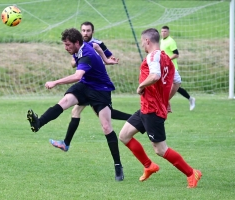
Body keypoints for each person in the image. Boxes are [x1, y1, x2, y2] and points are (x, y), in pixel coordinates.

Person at [27, 28, 124, 181]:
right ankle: (39, 123)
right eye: (65, 45)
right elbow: (97, 46)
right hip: (85, 86)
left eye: (68, 45)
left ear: (77, 43)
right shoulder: (82, 46)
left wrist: (55, 82)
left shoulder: (86, 55)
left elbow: (78, 76)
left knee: (106, 127)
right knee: (64, 102)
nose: (66, 48)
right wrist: (106, 60)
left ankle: (118, 165)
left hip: (101, 90)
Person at [118, 28, 202, 188]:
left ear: (147, 41)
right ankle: (149, 166)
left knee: (161, 149)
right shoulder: (166, 58)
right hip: (146, 108)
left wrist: (141, 86)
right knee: (124, 136)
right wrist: (165, 99)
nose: (142, 44)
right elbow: (177, 82)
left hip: (153, 111)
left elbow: (155, 75)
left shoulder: (152, 56)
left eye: (143, 41)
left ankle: (192, 173)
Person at [50, 21, 131, 152]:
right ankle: (66, 143)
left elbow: (107, 54)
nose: (85, 33)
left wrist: (107, 60)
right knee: (76, 111)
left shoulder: (97, 43)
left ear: (92, 32)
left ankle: (135, 119)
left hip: (98, 86)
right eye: (83, 30)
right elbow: (73, 63)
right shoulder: (79, 45)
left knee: (104, 117)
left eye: (88, 31)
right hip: (86, 85)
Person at [160, 25, 196, 111]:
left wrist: (167, 60)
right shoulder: (161, 41)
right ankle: (190, 99)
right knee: (172, 86)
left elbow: (176, 54)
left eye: (165, 31)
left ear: (168, 32)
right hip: (166, 68)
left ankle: (164, 103)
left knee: (172, 86)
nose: (163, 33)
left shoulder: (171, 41)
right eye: (162, 31)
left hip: (172, 67)